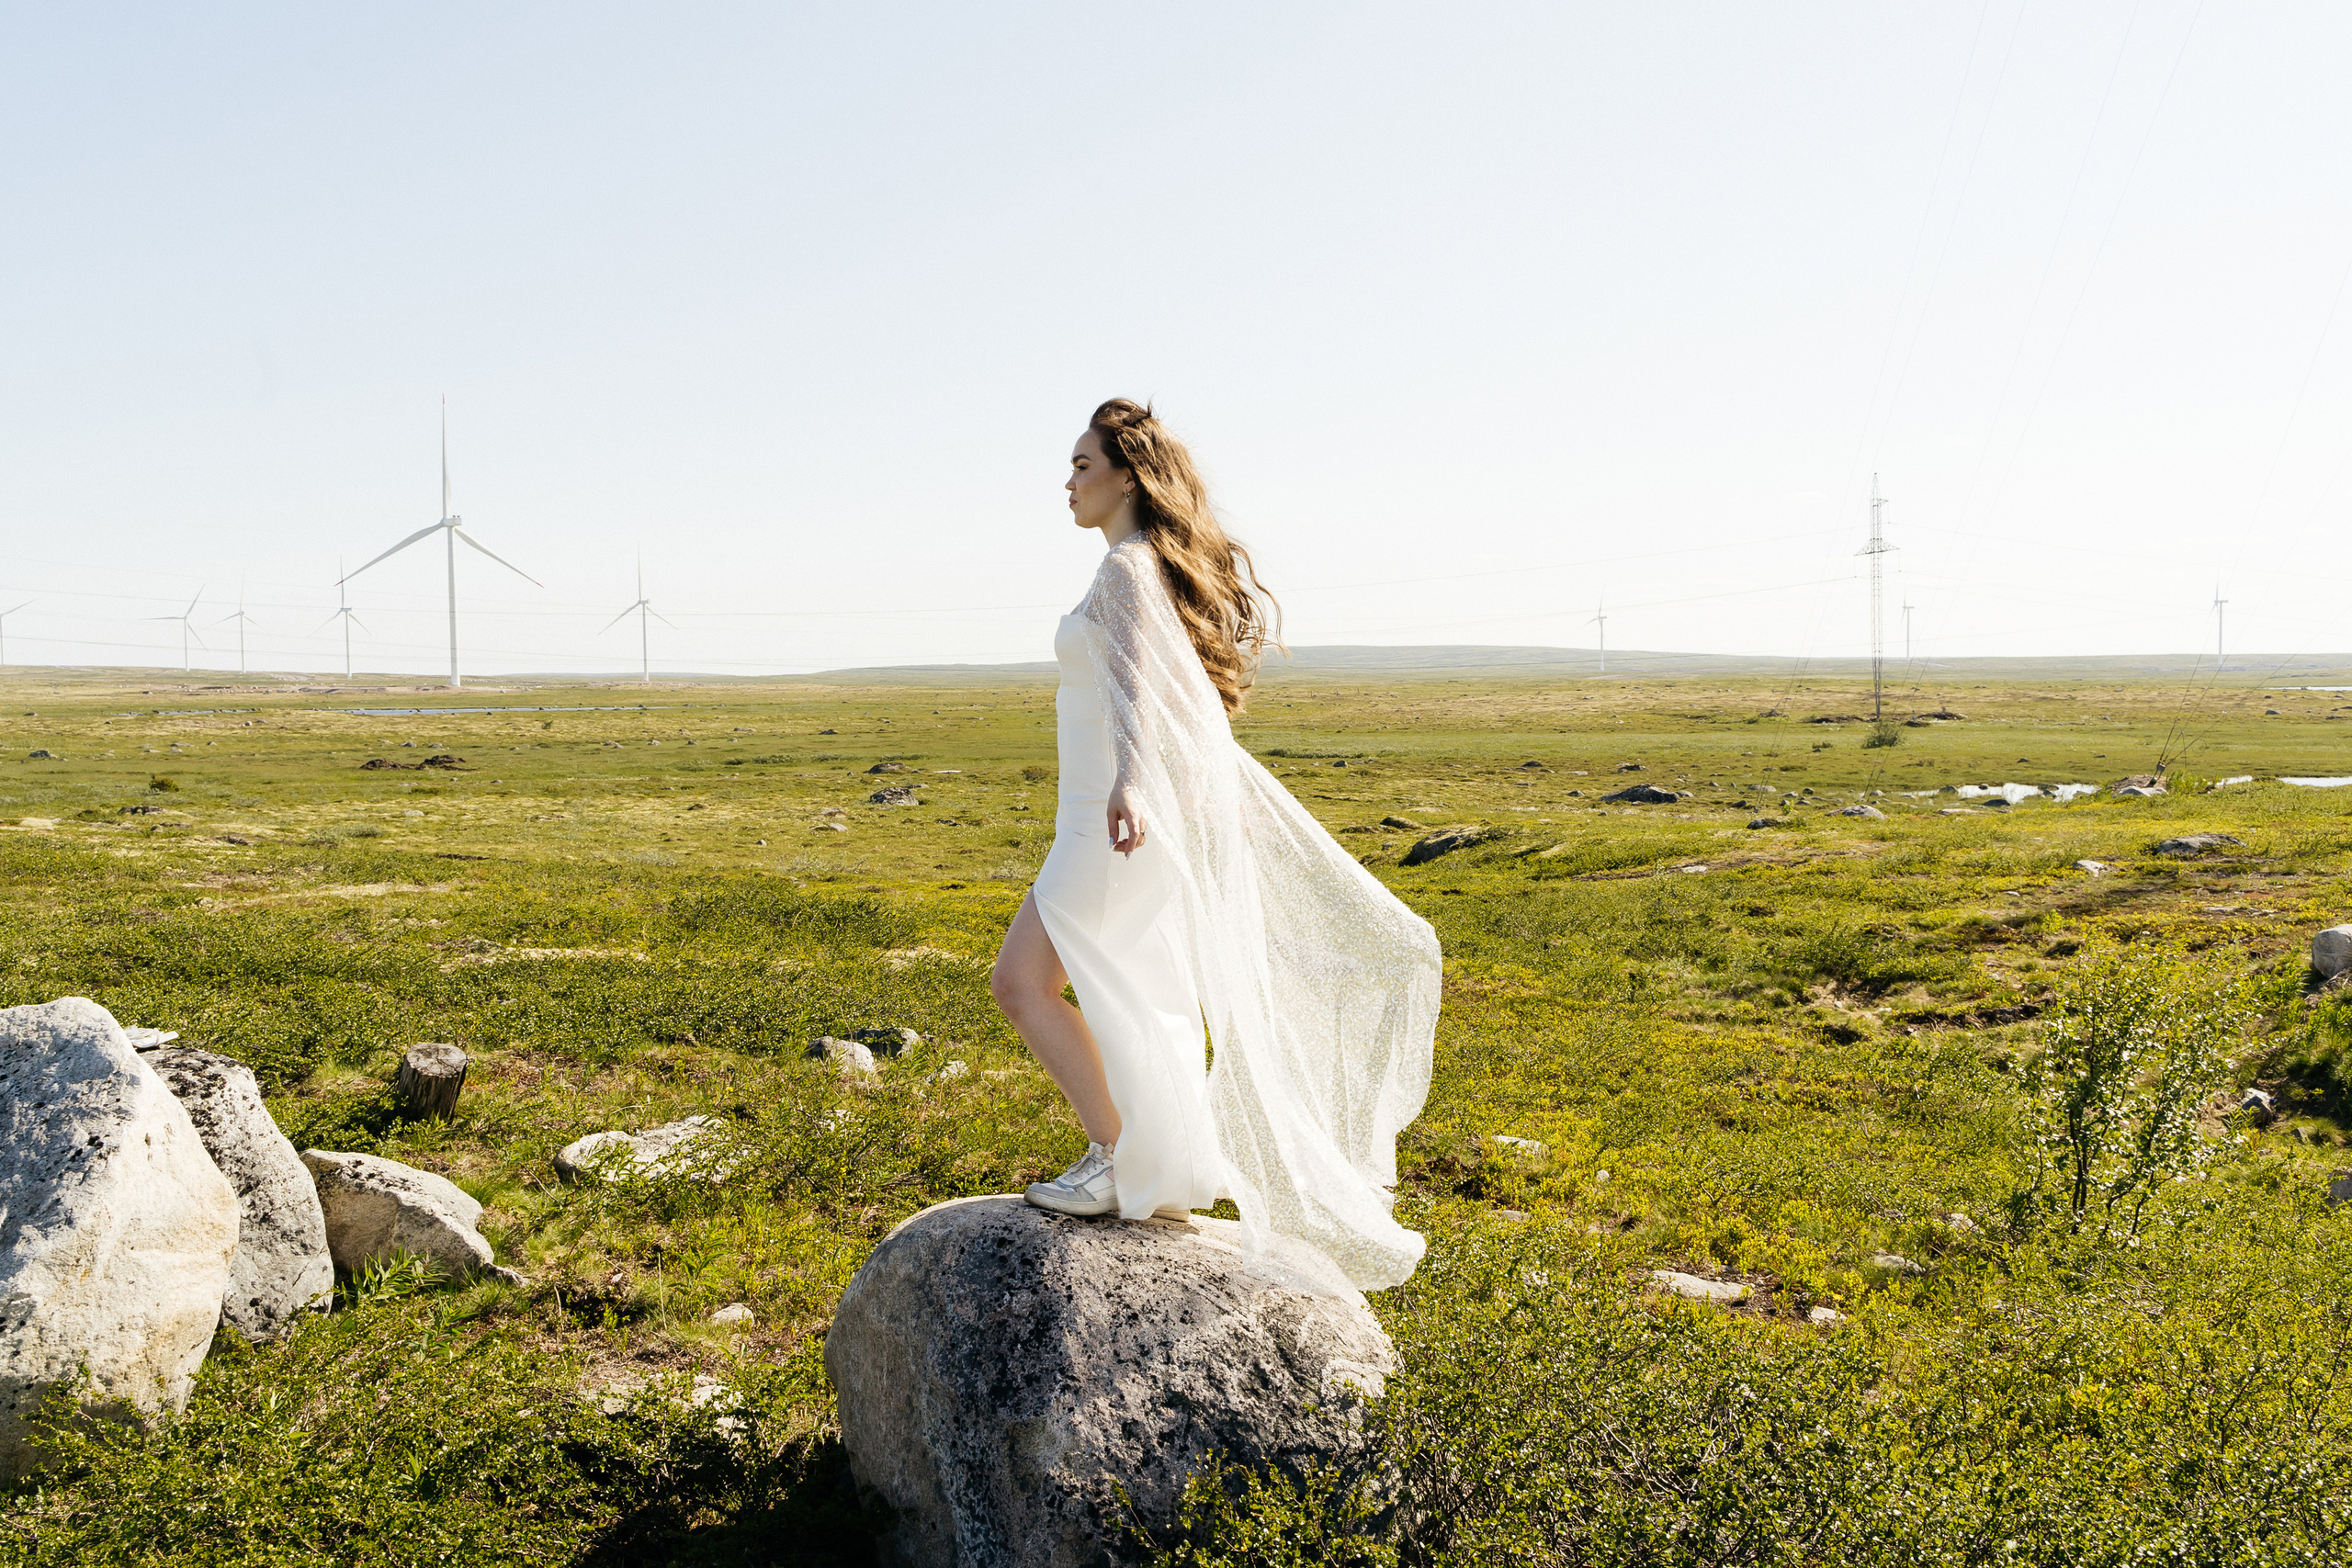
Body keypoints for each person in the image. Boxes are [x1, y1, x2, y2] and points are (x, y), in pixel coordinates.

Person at [988, 398, 1442, 1291]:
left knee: (1022, 981)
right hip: (1123, 812)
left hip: (1112, 817)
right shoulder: (1144, 567)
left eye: (1083, 464)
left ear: (1128, 474)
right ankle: (1162, 1169)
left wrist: (1130, 783)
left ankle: (1118, 1155)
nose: (1069, 481)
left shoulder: (1124, 569)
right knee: (1139, 987)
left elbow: (1135, 691)